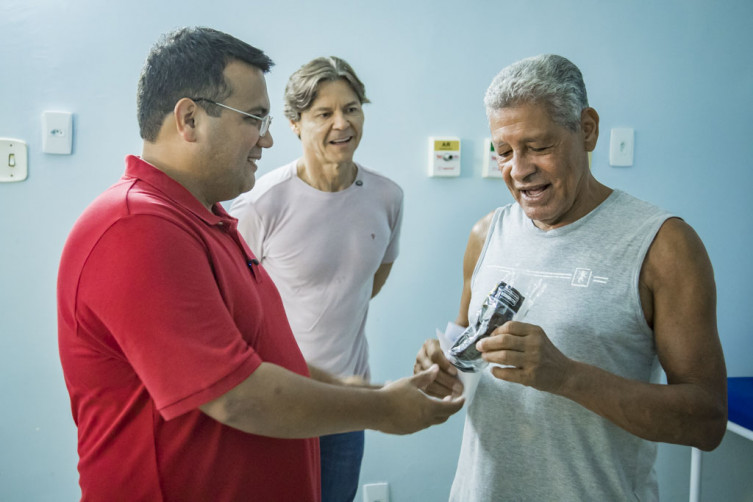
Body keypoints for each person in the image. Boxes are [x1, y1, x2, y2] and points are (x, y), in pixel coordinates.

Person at [57, 27, 463, 502]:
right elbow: (236, 395)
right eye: (254, 118)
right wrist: (385, 411)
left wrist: (370, 392)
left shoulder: (207, 221)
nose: (267, 139)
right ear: (189, 119)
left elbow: (262, 355)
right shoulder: (136, 227)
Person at [414, 54, 727, 501]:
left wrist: (567, 377)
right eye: (504, 152)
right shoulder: (486, 235)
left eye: (538, 146)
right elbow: (468, 362)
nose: (519, 169)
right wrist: (443, 369)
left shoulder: (663, 246)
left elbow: (708, 421)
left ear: (587, 129)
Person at [229, 55, 401, 502]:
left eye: (351, 108)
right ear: (295, 124)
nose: (342, 123)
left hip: (347, 403)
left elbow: (368, 282)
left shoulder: (387, 197)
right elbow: (236, 310)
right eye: (324, 113)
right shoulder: (260, 203)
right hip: (277, 399)